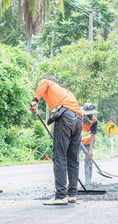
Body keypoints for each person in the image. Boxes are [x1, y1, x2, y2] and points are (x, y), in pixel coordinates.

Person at [29, 75, 83, 205]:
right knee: (73, 158)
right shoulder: (67, 93)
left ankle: (60, 196)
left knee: (60, 156)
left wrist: (35, 101)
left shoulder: (47, 82)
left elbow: (43, 83)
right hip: (78, 118)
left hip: (65, 118)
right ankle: (72, 194)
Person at [80, 103, 99, 188]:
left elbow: (93, 135)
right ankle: (72, 183)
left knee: (89, 159)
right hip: (76, 142)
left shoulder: (94, 121)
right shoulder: (78, 117)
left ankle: (88, 182)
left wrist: (90, 150)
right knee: (73, 160)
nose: (90, 115)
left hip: (87, 143)